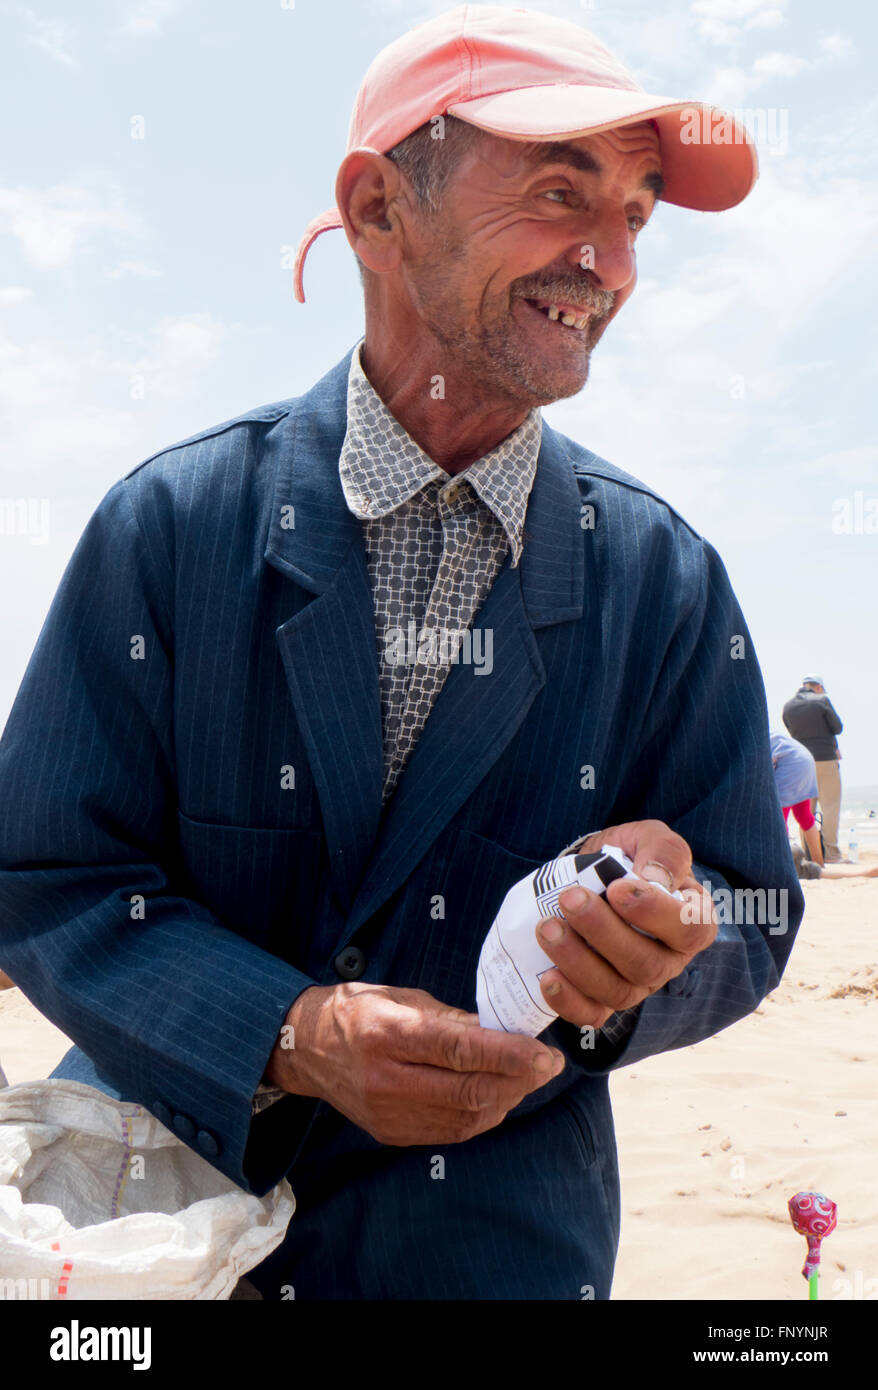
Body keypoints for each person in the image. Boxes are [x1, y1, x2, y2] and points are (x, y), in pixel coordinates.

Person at [0, 6, 803, 1300]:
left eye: (638, 213)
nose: (609, 260)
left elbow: (747, 912)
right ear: (377, 207)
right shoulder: (173, 526)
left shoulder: (661, 578)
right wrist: (288, 1031)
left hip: (494, 1249)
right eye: (558, 192)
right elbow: (49, 873)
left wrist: (651, 948)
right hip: (159, 1231)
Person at [782, 675, 845, 862]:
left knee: (805, 810)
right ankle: (832, 853)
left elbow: (790, 730)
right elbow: (837, 727)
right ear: (818, 687)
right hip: (825, 759)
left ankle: (809, 854)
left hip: (800, 763)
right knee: (830, 806)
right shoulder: (822, 700)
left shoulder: (788, 706)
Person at [770, 729, 822, 866]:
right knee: (804, 815)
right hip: (806, 759)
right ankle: (819, 862)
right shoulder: (770, 732)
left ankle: (783, 865)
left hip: (790, 764)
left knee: (779, 818)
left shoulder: (753, 737)